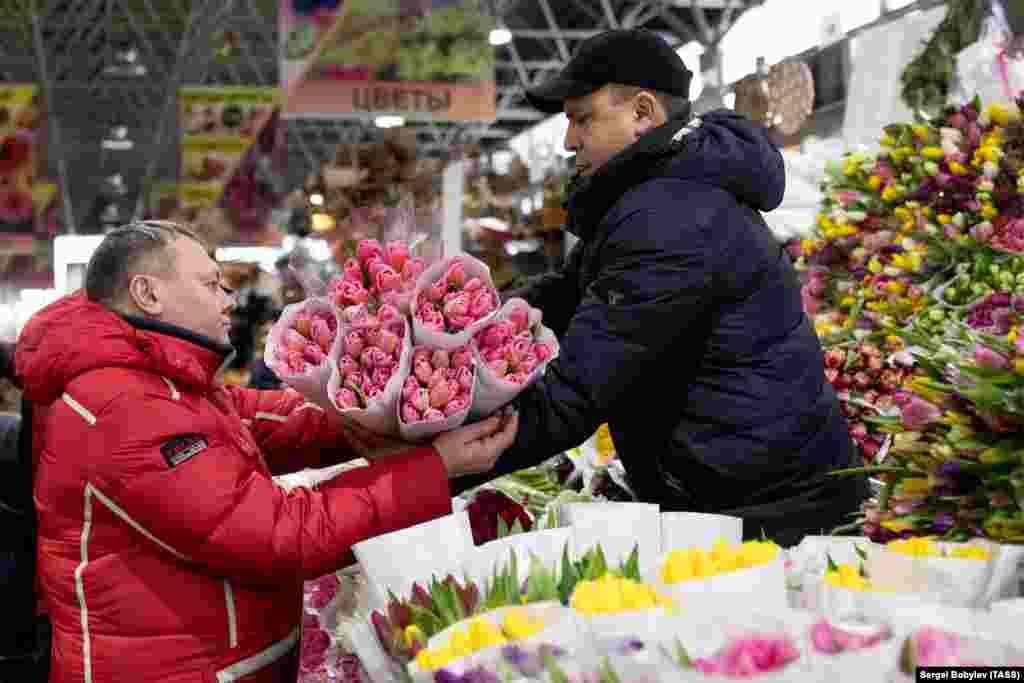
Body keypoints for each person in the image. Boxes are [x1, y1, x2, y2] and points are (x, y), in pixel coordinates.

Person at [14, 220, 518, 683]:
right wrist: (433, 468)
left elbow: (262, 420)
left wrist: (378, 409)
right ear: (148, 294)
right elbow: (278, 534)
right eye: (211, 284)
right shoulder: (122, 406)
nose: (228, 298)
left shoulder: (156, 379)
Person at [458, 29, 868, 547]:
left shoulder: (672, 215)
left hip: (775, 516)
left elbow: (575, 395)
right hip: (742, 493)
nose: (568, 141)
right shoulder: (652, 195)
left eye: (582, 119)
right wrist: (467, 323)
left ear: (642, 113)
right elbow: (570, 289)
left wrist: (433, 466)